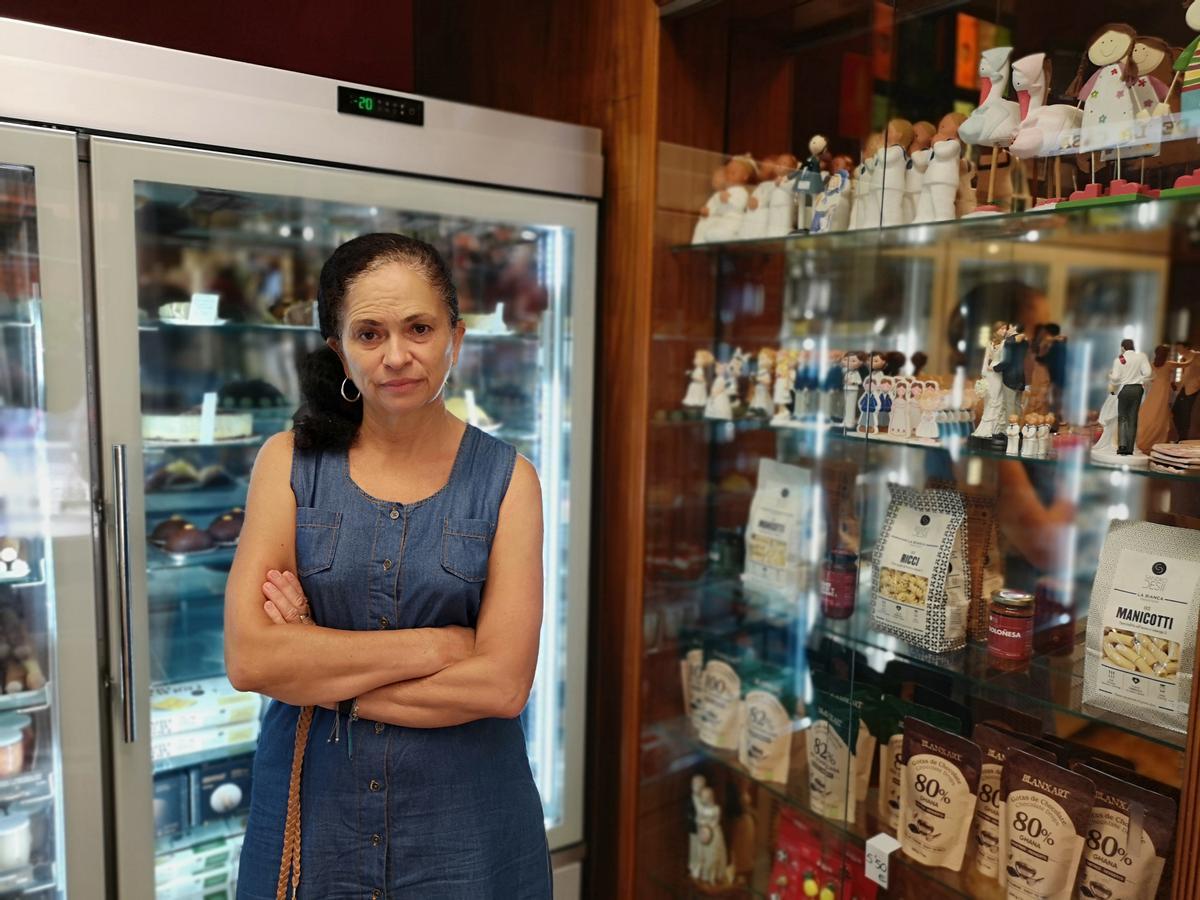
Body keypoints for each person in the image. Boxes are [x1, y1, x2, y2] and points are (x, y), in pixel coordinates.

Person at [226, 234, 551, 899]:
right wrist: (439, 646)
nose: (397, 356)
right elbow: (252, 661)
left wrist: (318, 674)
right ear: (338, 348)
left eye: (419, 329)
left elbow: (499, 687)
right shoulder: (286, 464)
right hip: (311, 826)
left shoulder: (510, 481)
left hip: (467, 832)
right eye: (369, 334)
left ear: (454, 337)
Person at [1108, 339, 1152, 455]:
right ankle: (1130, 448)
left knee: (1123, 417)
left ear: (1123, 347)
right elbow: (1148, 373)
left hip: (1125, 389)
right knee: (1133, 418)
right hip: (1137, 389)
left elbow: (1116, 378)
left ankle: (1122, 446)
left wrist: (1111, 375)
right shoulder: (1141, 357)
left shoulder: (1119, 360)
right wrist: (1139, 377)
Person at [993, 324, 1029, 422]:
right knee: (1018, 405)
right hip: (1021, 376)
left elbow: (1006, 361)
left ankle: (1011, 433)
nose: (1006, 330)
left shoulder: (1008, 342)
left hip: (1010, 377)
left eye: (1009, 327)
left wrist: (995, 368)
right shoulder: (1025, 342)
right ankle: (1019, 432)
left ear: (1014, 327)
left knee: (1009, 406)